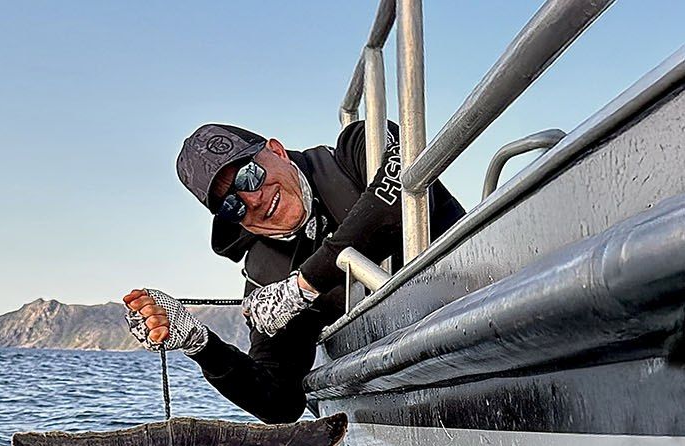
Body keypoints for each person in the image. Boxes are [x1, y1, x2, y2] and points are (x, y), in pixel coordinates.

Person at [124, 121, 464, 423]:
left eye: (249, 175)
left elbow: (398, 198)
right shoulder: (266, 275)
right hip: (406, 391)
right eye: (232, 205)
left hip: (478, 301)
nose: (252, 200)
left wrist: (303, 286)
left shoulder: (358, 147)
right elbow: (279, 401)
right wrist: (200, 344)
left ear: (277, 151)